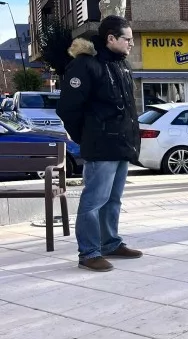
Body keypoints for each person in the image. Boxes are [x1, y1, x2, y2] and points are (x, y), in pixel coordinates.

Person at [56, 16, 142, 272]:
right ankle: (89, 252)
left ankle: (110, 243)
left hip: (121, 145)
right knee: (94, 200)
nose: (132, 43)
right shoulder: (85, 65)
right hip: (101, 145)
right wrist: (87, 136)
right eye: (127, 39)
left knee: (113, 199)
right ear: (111, 39)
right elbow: (68, 109)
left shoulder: (122, 65)